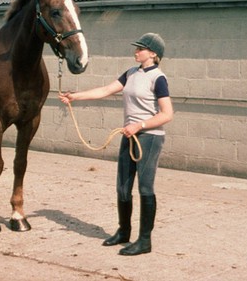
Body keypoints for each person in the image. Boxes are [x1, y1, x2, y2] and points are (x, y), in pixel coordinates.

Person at [59, 33, 173, 256]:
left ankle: (145, 240)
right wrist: (75, 96)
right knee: (123, 186)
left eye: (141, 48)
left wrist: (139, 126)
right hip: (129, 135)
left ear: (153, 54)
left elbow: (167, 114)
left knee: (145, 187)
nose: (136, 51)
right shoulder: (131, 73)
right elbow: (105, 90)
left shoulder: (158, 78)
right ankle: (124, 232)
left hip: (149, 137)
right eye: (137, 47)